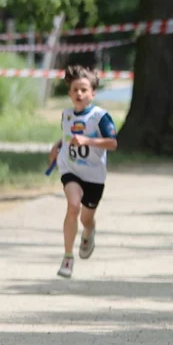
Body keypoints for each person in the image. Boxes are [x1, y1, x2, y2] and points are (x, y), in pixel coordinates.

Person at [47, 65, 117, 279]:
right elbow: (69, 137)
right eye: (75, 89)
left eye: (84, 89)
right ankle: (68, 257)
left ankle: (88, 232)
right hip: (71, 169)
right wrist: (58, 145)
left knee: (86, 219)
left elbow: (113, 144)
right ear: (69, 93)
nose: (79, 94)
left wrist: (89, 141)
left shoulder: (100, 116)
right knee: (73, 206)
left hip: (94, 176)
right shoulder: (67, 115)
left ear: (92, 93)